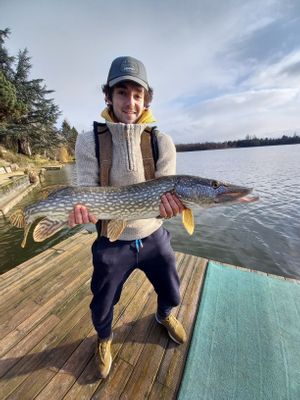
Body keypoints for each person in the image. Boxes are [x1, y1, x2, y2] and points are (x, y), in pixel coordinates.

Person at [69, 56, 187, 379]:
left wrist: (173, 208)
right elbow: (87, 192)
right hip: (111, 239)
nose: (130, 102)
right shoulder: (88, 140)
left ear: (146, 99)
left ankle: (163, 315)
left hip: (153, 235)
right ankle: (105, 337)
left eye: (138, 95)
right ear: (108, 96)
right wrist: (81, 212)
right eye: (122, 93)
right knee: (102, 303)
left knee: (173, 291)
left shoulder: (161, 142)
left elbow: (168, 192)